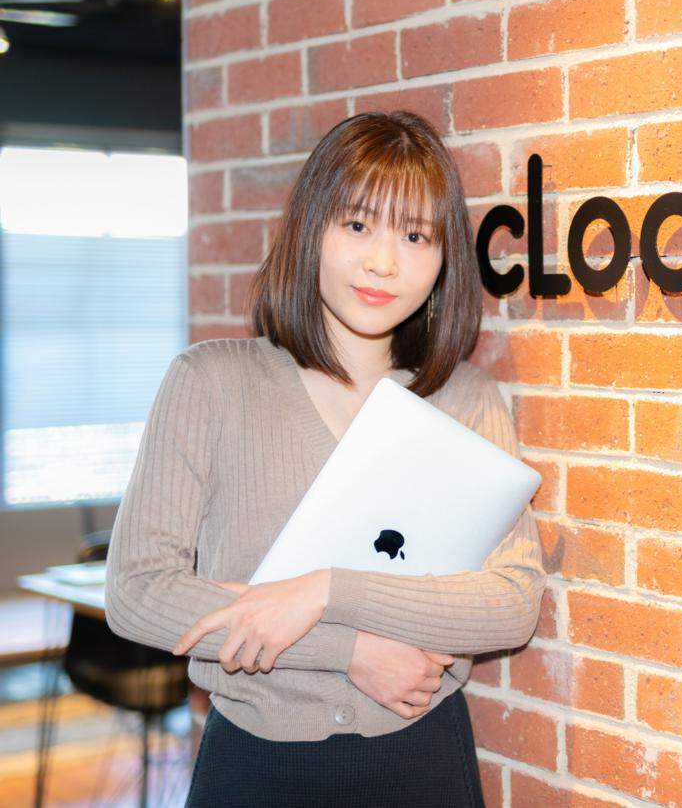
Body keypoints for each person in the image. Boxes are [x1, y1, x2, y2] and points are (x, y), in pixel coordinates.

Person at [104, 111, 544, 807]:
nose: (383, 262)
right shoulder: (211, 381)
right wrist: (350, 649)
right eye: (358, 225)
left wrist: (324, 591)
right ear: (311, 229)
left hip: (423, 759)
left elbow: (511, 602)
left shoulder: (466, 397)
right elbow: (139, 591)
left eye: (415, 235)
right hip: (257, 767)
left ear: (444, 257)